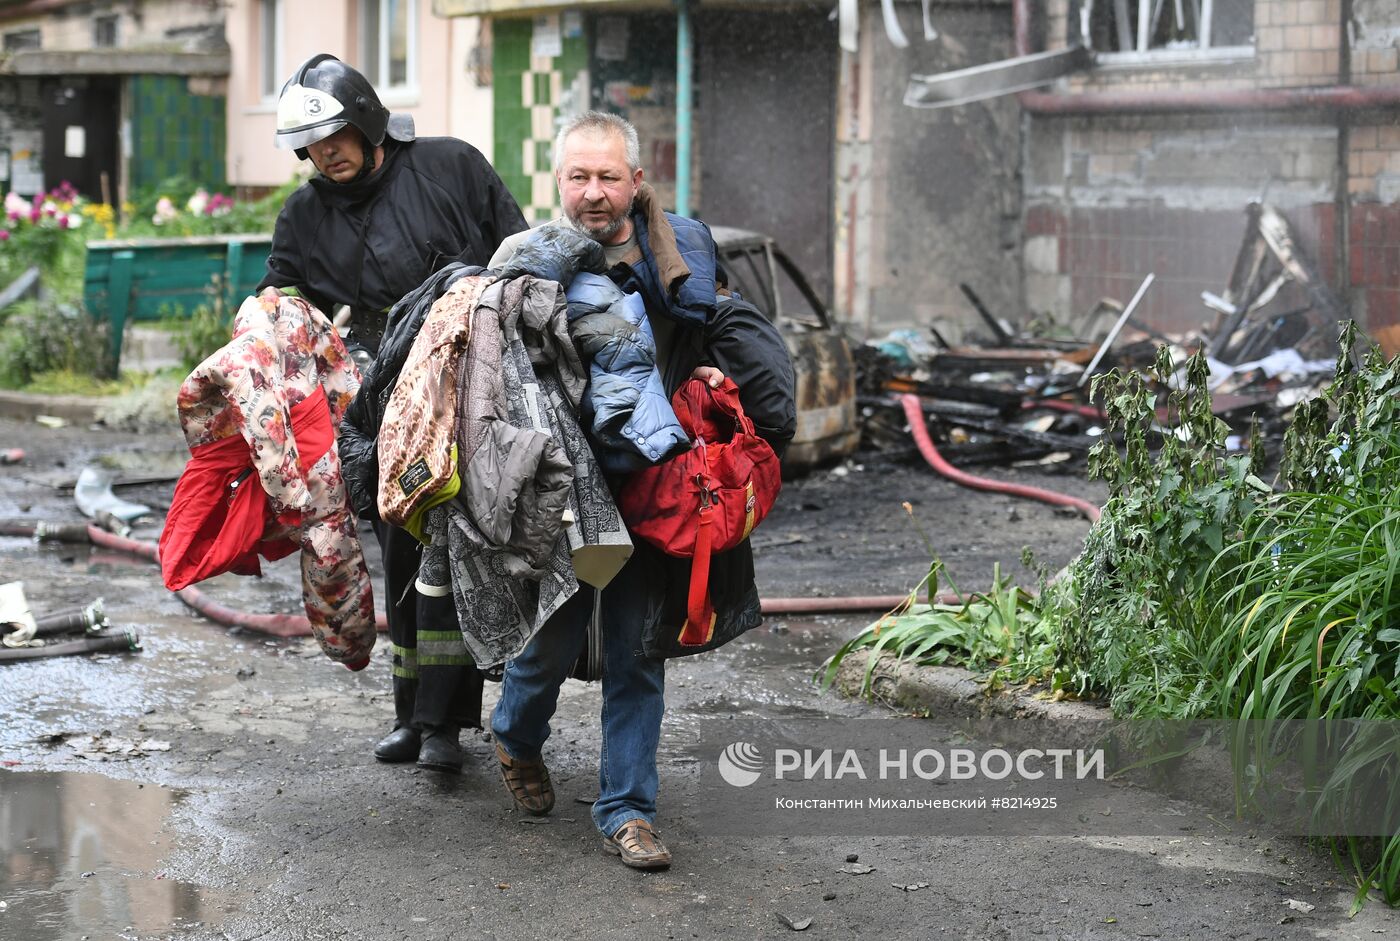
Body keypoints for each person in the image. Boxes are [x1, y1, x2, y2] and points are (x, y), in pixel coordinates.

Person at [487, 111, 794, 869]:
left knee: (637, 651)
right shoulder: (527, 262)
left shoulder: (678, 256)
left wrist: (707, 380)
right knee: (550, 642)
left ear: (636, 180)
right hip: (562, 485)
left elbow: (708, 339)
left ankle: (627, 811)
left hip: (654, 482)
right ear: (559, 181)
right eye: (579, 176)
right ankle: (516, 736)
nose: (595, 193)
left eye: (609, 177)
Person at [258, 53, 528, 773]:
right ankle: (411, 713)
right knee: (402, 551)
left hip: (468, 384)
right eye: (312, 148)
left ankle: (447, 724)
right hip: (374, 402)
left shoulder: (451, 168)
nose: (326, 155)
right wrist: (263, 323)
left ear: (368, 119)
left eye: (336, 137)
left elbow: (518, 254)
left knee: (460, 545)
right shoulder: (305, 213)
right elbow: (282, 296)